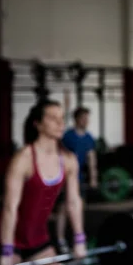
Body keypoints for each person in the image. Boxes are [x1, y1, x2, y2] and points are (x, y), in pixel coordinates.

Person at [0, 99, 88, 265]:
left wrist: (79, 238)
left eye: (62, 117)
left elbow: (73, 202)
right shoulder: (24, 159)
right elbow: (9, 208)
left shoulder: (68, 160)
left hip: (38, 238)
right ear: (38, 124)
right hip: (9, 238)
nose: (60, 123)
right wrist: (6, 251)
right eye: (52, 118)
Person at [55, 106, 98, 253]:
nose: (86, 121)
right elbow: (58, 156)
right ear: (77, 119)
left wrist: (93, 177)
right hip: (65, 179)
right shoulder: (67, 136)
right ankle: (60, 239)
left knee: (78, 208)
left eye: (88, 118)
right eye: (83, 118)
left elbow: (91, 158)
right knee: (63, 209)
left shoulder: (89, 138)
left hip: (79, 179)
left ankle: (78, 239)